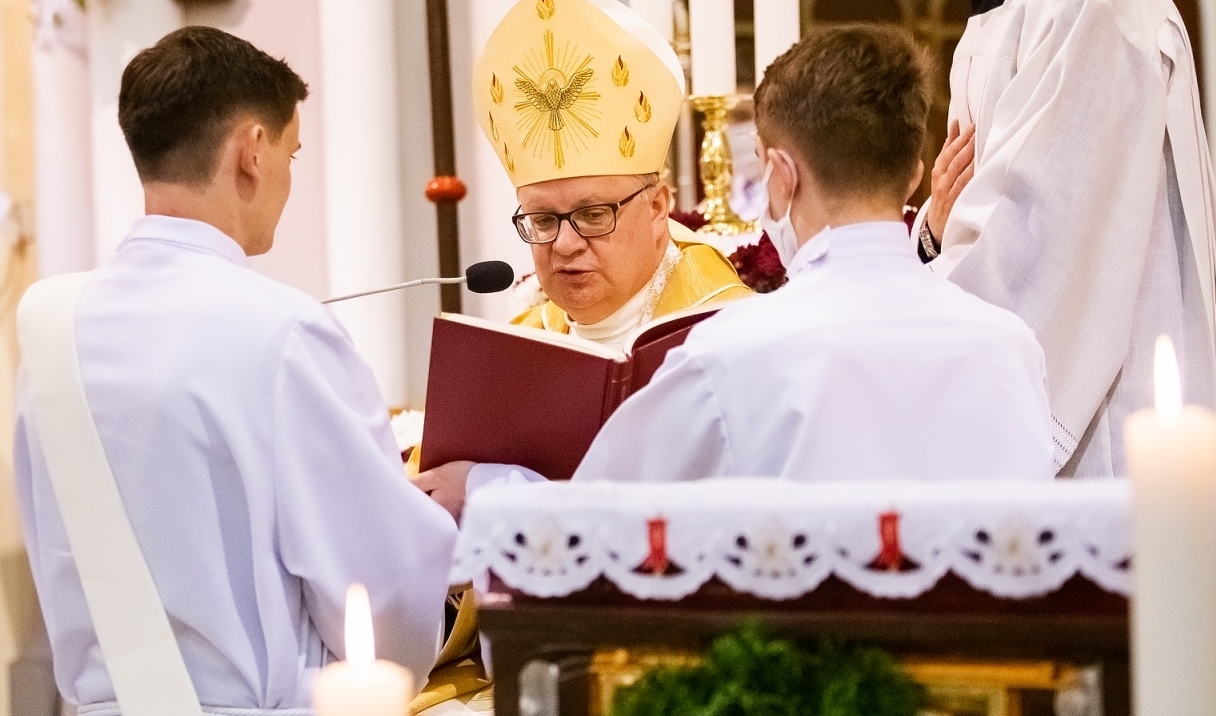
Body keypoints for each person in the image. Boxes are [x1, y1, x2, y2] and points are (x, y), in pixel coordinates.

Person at [14, 26, 455, 716]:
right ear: (252, 150)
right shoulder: (281, 333)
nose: (288, 177)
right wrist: (436, 520)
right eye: (292, 153)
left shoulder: (53, 333)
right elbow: (377, 594)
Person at [416, 26, 1053, 517]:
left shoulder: (731, 351)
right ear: (914, 175)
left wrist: (486, 488)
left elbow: (605, 525)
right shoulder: (1011, 346)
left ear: (780, 176)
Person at [842, 0, 1216, 476]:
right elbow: (977, 214)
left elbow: (1032, 249)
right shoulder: (1012, 0)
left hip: (1111, 422)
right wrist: (933, 236)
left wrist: (873, 338)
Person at [474, 0, 750, 350]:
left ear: (656, 208)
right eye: (543, 221)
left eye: (593, 214)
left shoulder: (730, 332)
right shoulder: (520, 346)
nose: (565, 245)